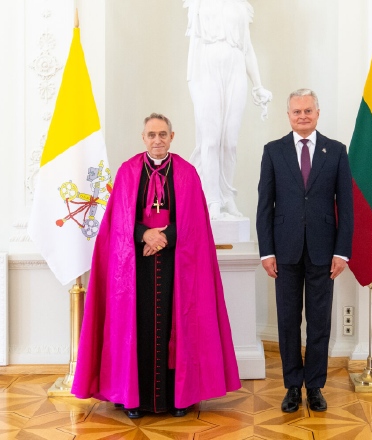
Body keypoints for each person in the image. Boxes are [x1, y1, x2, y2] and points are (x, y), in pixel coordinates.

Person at [72, 113, 241, 419]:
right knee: (136, 330)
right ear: (143, 137)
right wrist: (144, 234)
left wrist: (164, 238)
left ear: (172, 137)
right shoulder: (128, 171)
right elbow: (117, 220)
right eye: (152, 135)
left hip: (178, 264)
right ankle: (133, 399)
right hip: (135, 268)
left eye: (163, 134)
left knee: (177, 328)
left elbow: (195, 222)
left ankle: (178, 399)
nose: (157, 140)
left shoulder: (188, 173)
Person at [256, 89, 354, 413]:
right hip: (283, 251)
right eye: (296, 111)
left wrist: (342, 252)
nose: (302, 116)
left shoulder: (336, 152)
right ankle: (292, 387)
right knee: (287, 322)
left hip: (324, 253)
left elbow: (347, 207)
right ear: (288, 115)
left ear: (317, 112)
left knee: (319, 324)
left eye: (308, 110)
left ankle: (314, 387)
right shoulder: (273, 151)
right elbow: (264, 206)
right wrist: (266, 251)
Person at [184, 0, 272, 219]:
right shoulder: (199, 5)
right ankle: (212, 200)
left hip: (235, 70)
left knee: (230, 142)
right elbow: (193, 49)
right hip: (206, 71)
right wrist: (193, 85)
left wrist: (258, 85)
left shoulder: (240, 6)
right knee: (211, 140)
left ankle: (227, 197)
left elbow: (247, 48)